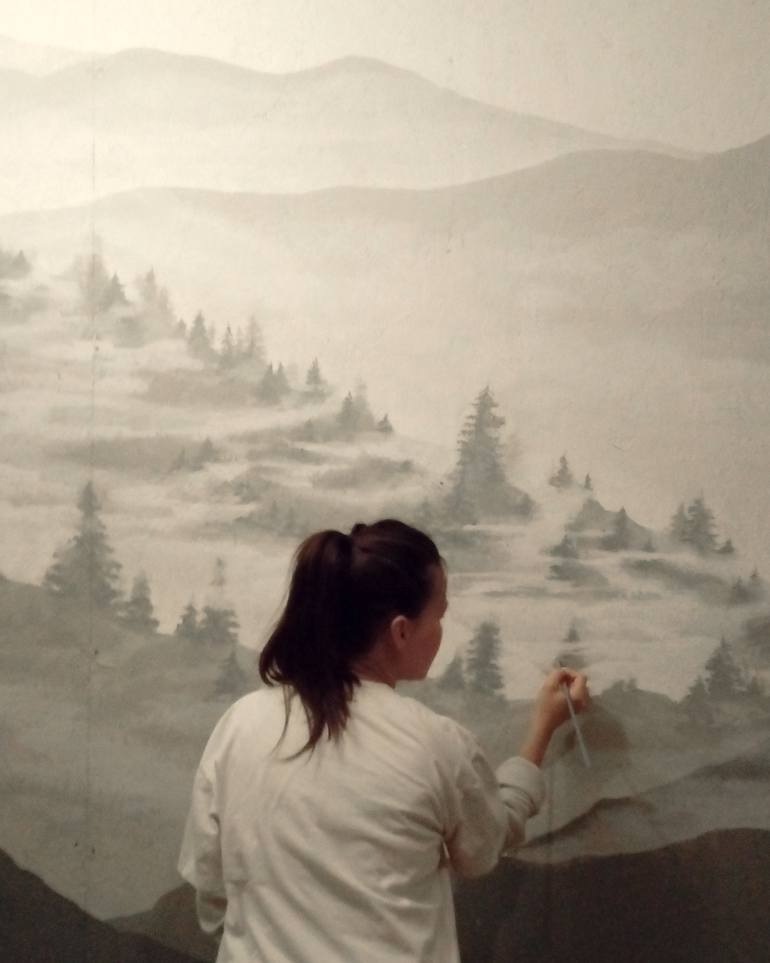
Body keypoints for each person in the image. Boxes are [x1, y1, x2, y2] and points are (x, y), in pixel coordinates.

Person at [178, 519, 589, 963]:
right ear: (401, 631)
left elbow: (211, 891)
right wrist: (541, 731)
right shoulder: (436, 744)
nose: (441, 630)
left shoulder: (239, 725)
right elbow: (484, 846)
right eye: (440, 616)